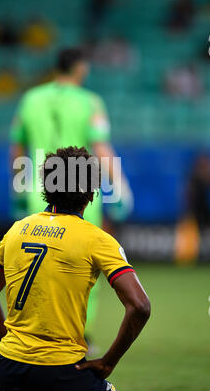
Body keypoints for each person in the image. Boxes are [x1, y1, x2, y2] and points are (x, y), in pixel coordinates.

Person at [0, 146, 150, 391]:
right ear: (91, 193)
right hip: (63, 373)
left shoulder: (17, 230)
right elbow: (140, 305)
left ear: (47, 186)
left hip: (10, 371)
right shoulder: (97, 239)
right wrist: (109, 361)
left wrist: (14, 344)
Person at [9, 47, 134, 344]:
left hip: (38, 189)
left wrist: (17, 186)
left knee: (35, 263)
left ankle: (34, 331)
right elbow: (101, 148)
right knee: (84, 265)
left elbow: (17, 147)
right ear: (81, 68)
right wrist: (121, 186)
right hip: (79, 188)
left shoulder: (30, 99)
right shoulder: (90, 102)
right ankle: (79, 334)